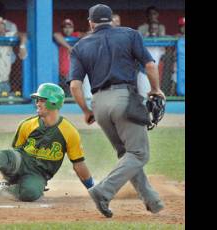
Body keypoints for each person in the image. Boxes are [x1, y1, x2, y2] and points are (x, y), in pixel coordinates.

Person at [68, 4, 165, 218]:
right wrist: (156, 90)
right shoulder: (130, 34)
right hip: (124, 98)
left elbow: (75, 85)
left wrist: (85, 110)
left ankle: (153, 201)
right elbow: (149, 65)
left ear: (91, 23)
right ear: (111, 20)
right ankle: (103, 191)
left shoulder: (80, 46)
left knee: (126, 153)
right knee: (139, 153)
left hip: (98, 104)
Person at [0, 83, 95, 202]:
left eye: (42, 100)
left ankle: (3, 189)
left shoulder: (69, 132)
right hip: (21, 162)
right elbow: (15, 151)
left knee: (31, 193)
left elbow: (79, 164)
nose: (37, 103)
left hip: (38, 175)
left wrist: (92, 188)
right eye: (37, 100)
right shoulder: (27, 125)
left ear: (53, 102)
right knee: (10, 157)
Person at [53, 19, 89, 97]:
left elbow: (88, 34)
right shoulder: (60, 36)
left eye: (70, 27)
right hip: (61, 74)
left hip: (74, 74)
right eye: (65, 27)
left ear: (73, 28)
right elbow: (56, 35)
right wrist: (69, 47)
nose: (67, 29)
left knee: (73, 95)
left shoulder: (75, 35)